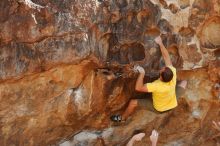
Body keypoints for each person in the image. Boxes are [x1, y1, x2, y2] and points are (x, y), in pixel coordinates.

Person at [111, 36, 178, 122]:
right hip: (172, 104)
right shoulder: (172, 73)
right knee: (183, 83)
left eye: (163, 69)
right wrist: (160, 43)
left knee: (133, 103)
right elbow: (166, 57)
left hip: (159, 108)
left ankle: (122, 118)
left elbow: (138, 88)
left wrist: (142, 73)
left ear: (161, 76)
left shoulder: (156, 86)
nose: (163, 67)